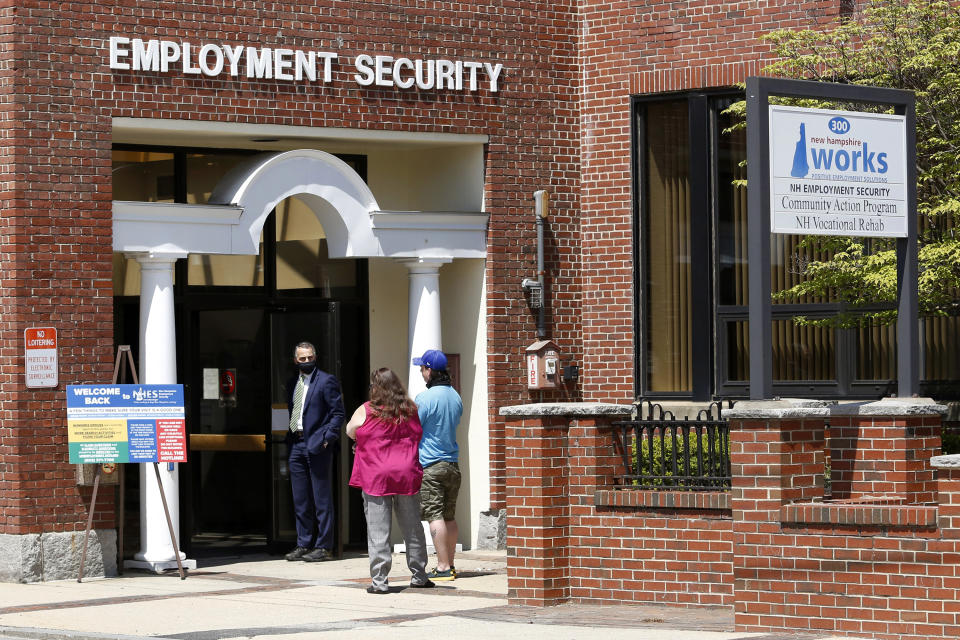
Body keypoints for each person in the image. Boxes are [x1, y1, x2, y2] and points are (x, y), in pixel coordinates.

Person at [346, 368, 434, 593]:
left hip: (377, 474)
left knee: (378, 530)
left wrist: (363, 441)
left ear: (376, 387)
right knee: (412, 526)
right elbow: (418, 434)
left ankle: (380, 581)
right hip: (406, 473)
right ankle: (420, 575)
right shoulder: (410, 408)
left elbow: (350, 430)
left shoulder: (367, 409)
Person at [284, 341, 344, 562]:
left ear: (315, 357)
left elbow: (338, 414)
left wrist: (327, 438)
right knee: (300, 499)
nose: (307, 361)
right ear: (296, 360)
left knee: (321, 497)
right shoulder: (292, 383)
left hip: (317, 445)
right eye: (303, 358)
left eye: (310, 357)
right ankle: (303, 543)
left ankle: (324, 546)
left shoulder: (326, 381)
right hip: (295, 444)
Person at [412, 349, 463, 582]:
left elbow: (414, 429)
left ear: (430, 370)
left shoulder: (425, 398)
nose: (422, 373)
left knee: (435, 516)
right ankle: (450, 564)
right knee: (449, 516)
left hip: (431, 465)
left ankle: (442, 566)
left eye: (422, 368)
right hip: (452, 463)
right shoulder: (455, 396)